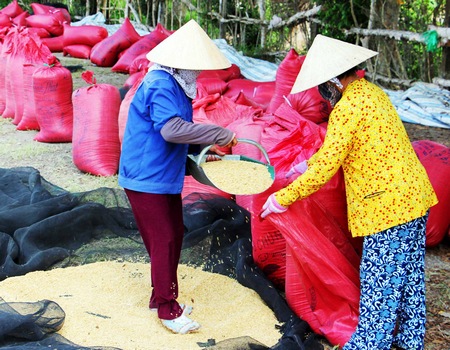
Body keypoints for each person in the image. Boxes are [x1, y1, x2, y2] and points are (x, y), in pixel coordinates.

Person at [260, 34, 438, 350]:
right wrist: (305, 166)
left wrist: (281, 198)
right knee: (410, 284)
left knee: (378, 297)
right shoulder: (373, 93)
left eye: (323, 87)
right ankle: (410, 344)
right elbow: (340, 149)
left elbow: (327, 166)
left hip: (388, 212)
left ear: (333, 81)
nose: (322, 94)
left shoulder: (346, 109)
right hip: (416, 199)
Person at [118, 19, 238, 334]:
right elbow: (171, 130)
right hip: (146, 177)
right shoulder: (160, 82)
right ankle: (168, 310)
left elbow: (180, 133)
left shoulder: (176, 84)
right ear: (181, 62)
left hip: (163, 173)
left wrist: (203, 152)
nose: (198, 73)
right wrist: (219, 132)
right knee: (164, 238)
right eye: (195, 66)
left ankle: (160, 298)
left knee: (174, 232)